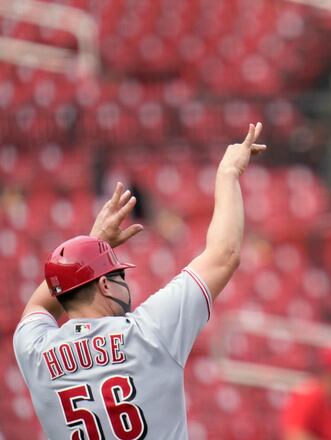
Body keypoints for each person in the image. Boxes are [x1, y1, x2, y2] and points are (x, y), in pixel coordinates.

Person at [13, 123, 267, 439]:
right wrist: (228, 172)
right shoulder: (149, 334)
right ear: (104, 286)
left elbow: (39, 303)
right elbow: (224, 254)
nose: (124, 280)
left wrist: (90, 248)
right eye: (118, 274)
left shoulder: (36, 353)